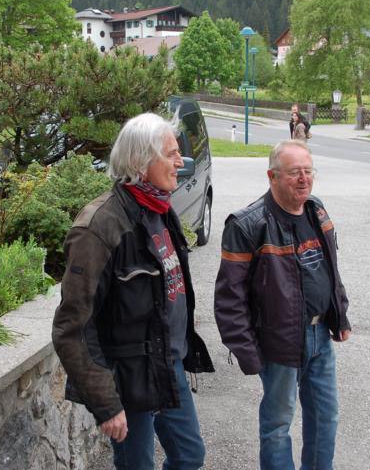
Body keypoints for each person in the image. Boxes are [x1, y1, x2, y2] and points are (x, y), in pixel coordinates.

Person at [52, 112, 214, 470]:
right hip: (128, 377)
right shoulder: (99, 228)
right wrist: (106, 403)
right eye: (171, 153)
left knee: (190, 456)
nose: (181, 161)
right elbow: (72, 327)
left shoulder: (160, 209)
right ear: (141, 163)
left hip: (167, 364)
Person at [214, 140, 351, 470]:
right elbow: (229, 299)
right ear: (272, 176)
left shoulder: (316, 210)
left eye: (308, 171)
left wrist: (340, 315)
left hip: (320, 334)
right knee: (277, 425)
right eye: (294, 173)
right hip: (279, 341)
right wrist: (247, 351)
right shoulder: (247, 225)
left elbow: (329, 270)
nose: (304, 179)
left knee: (326, 416)